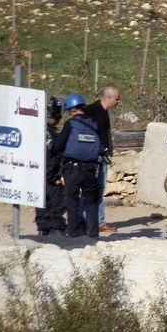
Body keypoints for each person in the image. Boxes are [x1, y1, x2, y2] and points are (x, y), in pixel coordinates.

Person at [53, 93, 103, 238]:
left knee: (72, 202)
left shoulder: (70, 124)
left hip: (72, 170)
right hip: (91, 170)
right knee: (91, 203)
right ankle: (93, 234)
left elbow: (57, 145)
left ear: (72, 109)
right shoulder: (94, 124)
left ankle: (73, 234)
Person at [78, 86, 121, 233]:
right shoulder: (92, 110)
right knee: (90, 189)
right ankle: (85, 221)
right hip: (93, 157)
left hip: (102, 157)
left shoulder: (103, 111)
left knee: (99, 189)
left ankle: (97, 221)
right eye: (117, 99)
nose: (118, 102)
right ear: (109, 98)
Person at [35, 96, 67, 236]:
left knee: (42, 203)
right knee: (57, 202)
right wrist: (55, 175)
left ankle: (44, 228)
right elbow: (53, 155)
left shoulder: (37, 129)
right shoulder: (50, 134)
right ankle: (56, 228)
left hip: (38, 173)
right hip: (49, 174)